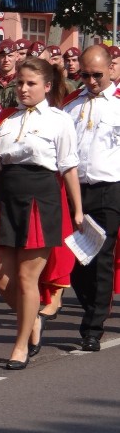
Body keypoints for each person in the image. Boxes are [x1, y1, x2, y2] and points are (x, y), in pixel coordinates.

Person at [0, 57, 82, 369]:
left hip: (41, 197)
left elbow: (68, 166)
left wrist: (77, 209)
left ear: (47, 86)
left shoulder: (59, 120)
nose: (23, 89)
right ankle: (33, 322)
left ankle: (20, 344)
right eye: (20, 83)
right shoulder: (6, 120)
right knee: (0, 275)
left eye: (31, 83)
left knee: (28, 278)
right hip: (7, 196)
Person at [62, 45, 120, 352]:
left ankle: (93, 326)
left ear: (111, 69)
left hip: (109, 189)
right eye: (84, 75)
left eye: (97, 74)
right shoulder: (71, 103)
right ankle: (88, 305)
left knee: (101, 258)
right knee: (75, 260)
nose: (91, 81)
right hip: (74, 190)